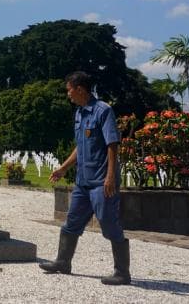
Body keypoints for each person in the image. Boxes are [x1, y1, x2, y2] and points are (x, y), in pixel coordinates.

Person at [38, 71, 131, 285]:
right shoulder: (80, 113)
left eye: (69, 90)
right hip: (83, 182)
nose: (68, 95)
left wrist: (110, 177)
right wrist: (63, 168)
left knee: (108, 223)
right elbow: (81, 146)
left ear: (80, 89)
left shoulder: (103, 111)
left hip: (101, 182)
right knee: (71, 223)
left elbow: (112, 144)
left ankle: (122, 273)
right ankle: (63, 262)